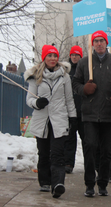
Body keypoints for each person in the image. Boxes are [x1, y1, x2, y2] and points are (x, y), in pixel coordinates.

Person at [72, 30, 111, 197]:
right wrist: (83, 89)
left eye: (102, 41)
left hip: (110, 113)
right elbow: (75, 82)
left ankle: (103, 183)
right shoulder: (85, 63)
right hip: (90, 113)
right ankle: (89, 184)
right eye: (96, 41)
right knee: (90, 147)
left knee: (107, 150)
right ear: (92, 44)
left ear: (106, 43)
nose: (99, 44)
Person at [24, 45, 77, 198]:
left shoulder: (65, 76)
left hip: (59, 119)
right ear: (44, 58)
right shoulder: (36, 76)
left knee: (58, 153)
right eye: (50, 56)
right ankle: (45, 182)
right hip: (42, 120)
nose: (53, 59)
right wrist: (37, 103)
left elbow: (69, 99)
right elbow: (30, 99)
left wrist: (72, 116)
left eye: (55, 56)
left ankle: (58, 184)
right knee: (44, 153)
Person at [64, 45, 85, 174]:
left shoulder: (85, 70)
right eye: (73, 55)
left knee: (86, 139)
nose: (75, 57)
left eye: (77, 55)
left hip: (83, 110)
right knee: (69, 138)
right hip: (70, 110)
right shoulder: (66, 71)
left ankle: (89, 162)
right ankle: (68, 163)